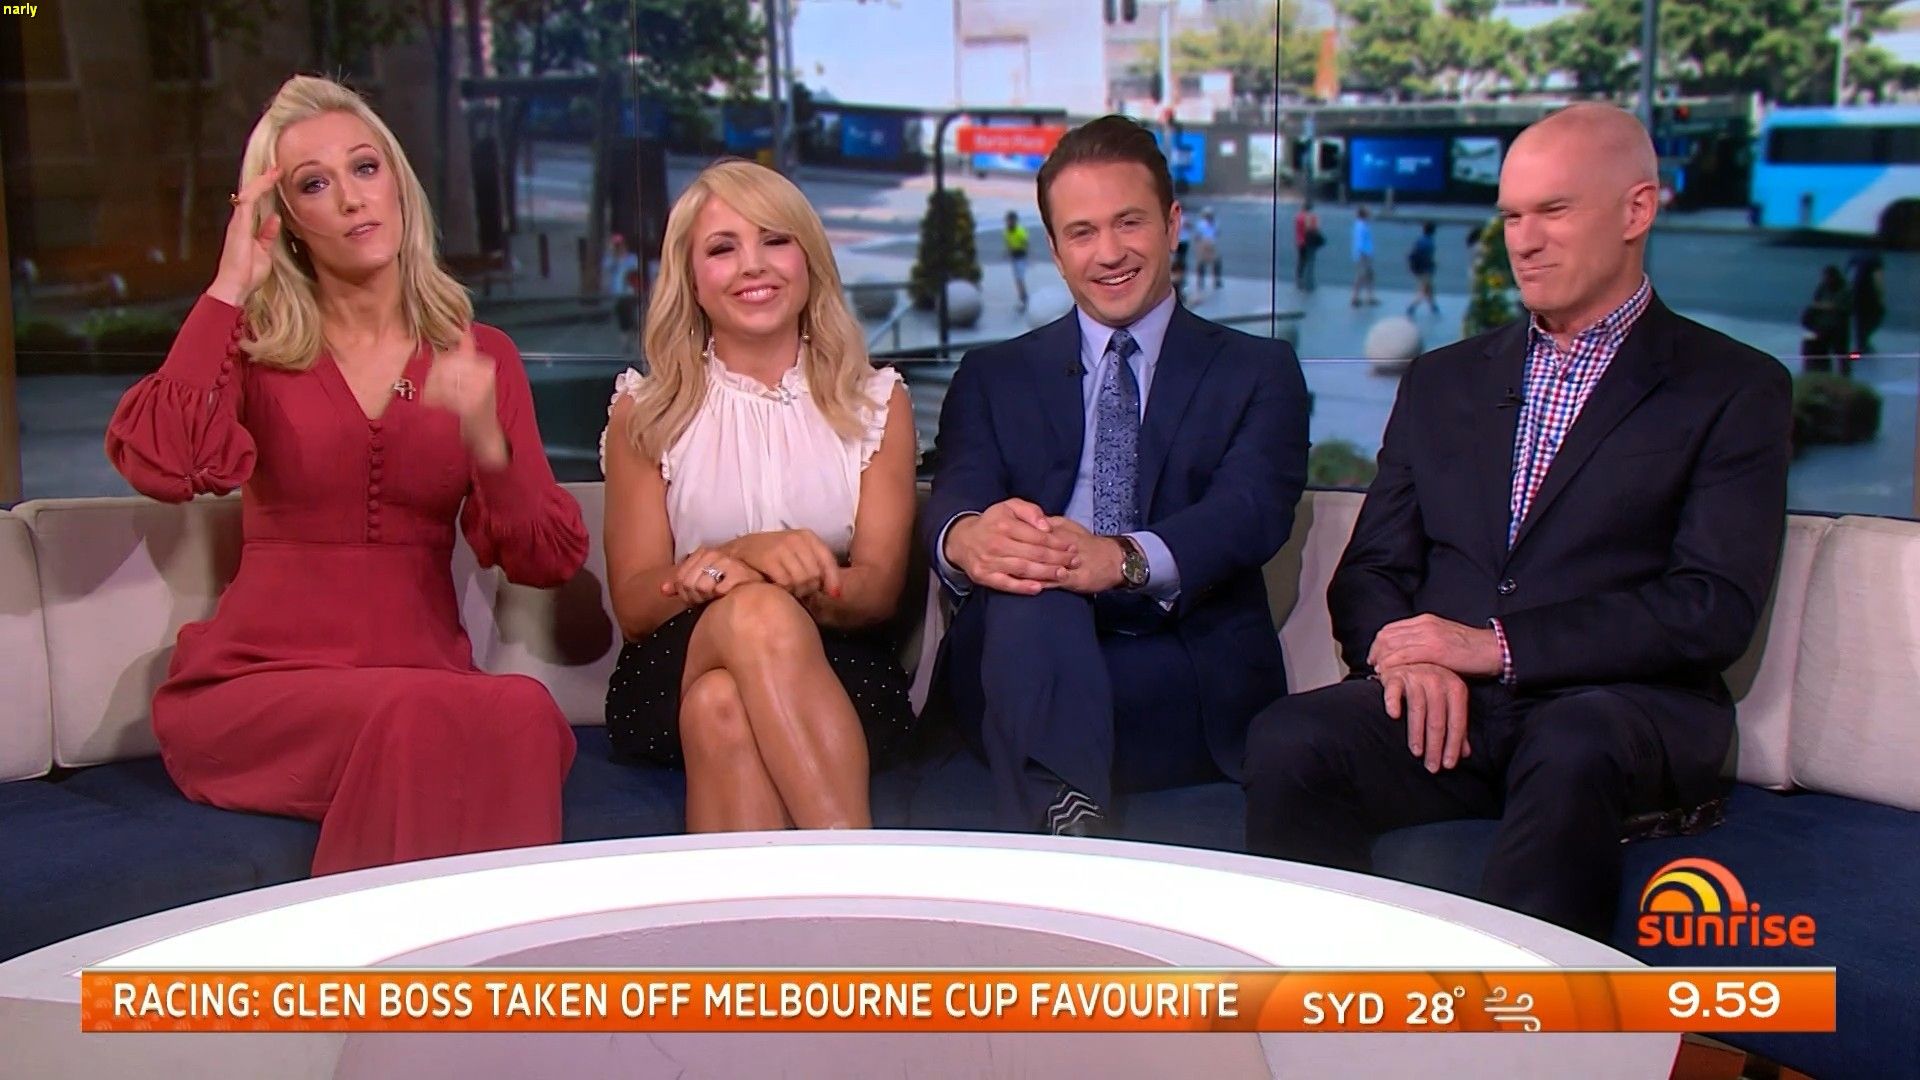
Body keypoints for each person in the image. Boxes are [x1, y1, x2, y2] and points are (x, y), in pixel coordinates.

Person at [1243, 103, 1793, 939]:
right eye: (1511, 217)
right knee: (1292, 737)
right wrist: (1404, 658)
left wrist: (1495, 646)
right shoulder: (1444, 380)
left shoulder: (1731, 387)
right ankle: (1328, 994)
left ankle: (1523, 1014)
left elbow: (1709, 606)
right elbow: (1373, 570)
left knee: (1572, 742)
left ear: (1637, 211)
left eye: (1554, 211)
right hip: (1451, 712)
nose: (1524, 242)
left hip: (1615, 710)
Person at [103, 75, 588, 876]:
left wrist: (486, 441)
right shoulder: (256, 345)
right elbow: (164, 464)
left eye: (365, 168)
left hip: (420, 682)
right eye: (314, 184)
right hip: (261, 685)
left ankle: (481, 960)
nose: (352, 198)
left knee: (522, 711)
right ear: (286, 220)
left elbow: (547, 559)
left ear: (397, 182)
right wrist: (228, 287)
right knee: (418, 717)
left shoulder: (482, 356)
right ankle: (374, 963)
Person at [924, 115, 1311, 835]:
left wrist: (1118, 558)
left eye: (1128, 223)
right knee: (1037, 577)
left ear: (1172, 224)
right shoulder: (993, 374)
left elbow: (1251, 509)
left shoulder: (1259, 370)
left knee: (1050, 575)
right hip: (1021, 654)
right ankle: (1070, 827)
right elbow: (958, 490)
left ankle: (1056, 818)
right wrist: (969, 537)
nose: (1109, 253)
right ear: (1055, 249)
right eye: (1082, 233)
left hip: (1176, 665)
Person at [600, 158, 918, 833]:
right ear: (691, 277)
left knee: (722, 705)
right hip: (673, 660)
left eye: (775, 240)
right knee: (752, 617)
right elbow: (634, 604)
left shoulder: (876, 404)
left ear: (809, 261)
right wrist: (744, 556)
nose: (753, 265)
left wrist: (794, 585)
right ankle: (860, 874)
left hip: (841, 665)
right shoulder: (644, 412)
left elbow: (878, 592)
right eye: (722, 248)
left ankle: (779, 908)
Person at [1799, 264, 1852, 376]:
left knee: (1842, 354)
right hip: (1821, 327)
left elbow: (1840, 307)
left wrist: (1822, 306)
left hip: (1838, 328)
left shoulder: (1845, 290)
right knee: (1814, 348)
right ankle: (1820, 372)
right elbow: (1815, 303)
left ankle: (1844, 376)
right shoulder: (1822, 288)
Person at [604, 232, 642, 355]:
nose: (618, 248)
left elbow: (635, 270)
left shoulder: (631, 258)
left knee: (632, 321)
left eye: (619, 245)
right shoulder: (612, 260)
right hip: (618, 295)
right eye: (616, 246)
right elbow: (607, 267)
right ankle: (626, 347)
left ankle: (634, 346)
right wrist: (613, 254)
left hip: (630, 295)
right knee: (624, 323)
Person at [1848, 251, 1885, 357]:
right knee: (1873, 317)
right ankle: (1860, 348)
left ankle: (1860, 347)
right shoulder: (1875, 259)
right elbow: (1878, 279)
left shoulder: (1855, 257)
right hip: (1869, 295)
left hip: (1855, 294)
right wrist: (1880, 296)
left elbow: (1849, 275)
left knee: (1859, 321)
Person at [1406, 221, 1439, 316]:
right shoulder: (1430, 242)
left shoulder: (1420, 240)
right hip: (1426, 269)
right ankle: (1413, 306)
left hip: (1419, 268)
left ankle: (1433, 306)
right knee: (1424, 289)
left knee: (1429, 287)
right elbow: (1428, 257)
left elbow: (1413, 253)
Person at [1350, 206, 1377, 307]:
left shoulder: (1363, 225)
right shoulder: (1361, 226)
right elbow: (1360, 242)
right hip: (1363, 255)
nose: (1370, 214)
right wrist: (1363, 254)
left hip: (1366, 254)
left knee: (1369, 275)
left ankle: (1369, 297)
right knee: (1361, 276)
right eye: (1368, 213)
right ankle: (1355, 297)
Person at [1004, 211, 1031, 312]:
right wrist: (1007, 253)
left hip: (1021, 257)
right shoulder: (1006, 231)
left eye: (1011, 220)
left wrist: (1029, 257)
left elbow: (1026, 243)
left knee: (1019, 279)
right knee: (1017, 279)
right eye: (1008, 220)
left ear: (1015, 221)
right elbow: (1008, 243)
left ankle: (1024, 299)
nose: (1009, 222)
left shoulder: (1020, 231)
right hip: (1014, 258)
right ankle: (1023, 297)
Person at [1293, 199, 1322, 290]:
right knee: (1309, 262)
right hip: (1309, 241)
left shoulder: (1298, 217)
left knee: (1301, 261)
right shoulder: (1311, 217)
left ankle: (1299, 280)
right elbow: (1315, 229)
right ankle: (1308, 282)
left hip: (1299, 241)